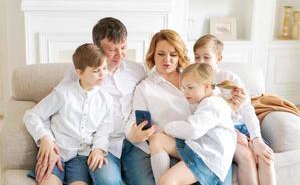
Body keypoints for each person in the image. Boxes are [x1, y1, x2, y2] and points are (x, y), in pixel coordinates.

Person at [34, 17, 148, 185]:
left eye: (123, 47)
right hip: (105, 144)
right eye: (112, 50)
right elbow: (55, 105)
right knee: (107, 181)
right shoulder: (80, 75)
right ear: (98, 48)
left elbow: (148, 98)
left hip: (133, 141)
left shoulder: (137, 70)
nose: (120, 55)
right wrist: (46, 139)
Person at [124, 29, 233, 185]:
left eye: (173, 55)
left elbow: (216, 106)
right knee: (157, 140)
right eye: (161, 54)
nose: (167, 60)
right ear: (152, 55)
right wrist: (133, 133)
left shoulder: (195, 76)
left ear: (180, 56)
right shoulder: (145, 88)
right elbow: (134, 121)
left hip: (204, 143)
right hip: (174, 142)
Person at [23, 43, 114, 185]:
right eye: (96, 71)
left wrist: (98, 149)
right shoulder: (62, 93)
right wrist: (45, 139)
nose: (103, 74)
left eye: (105, 68)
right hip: (56, 153)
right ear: (79, 72)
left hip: (81, 159)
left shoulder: (106, 99)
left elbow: (103, 132)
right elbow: (31, 116)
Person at [193, 34, 276, 185]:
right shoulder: (194, 82)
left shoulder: (229, 78)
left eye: (206, 57)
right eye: (197, 57)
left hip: (243, 126)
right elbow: (202, 117)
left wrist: (256, 139)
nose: (200, 62)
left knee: (266, 158)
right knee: (248, 157)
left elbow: (248, 111)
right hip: (224, 130)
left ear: (218, 58)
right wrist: (235, 133)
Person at [149, 63, 237, 185]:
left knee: (166, 181)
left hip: (208, 160)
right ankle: (162, 181)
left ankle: (164, 182)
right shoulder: (207, 101)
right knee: (157, 139)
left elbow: (193, 130)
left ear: (206, 87)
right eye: (183, 88)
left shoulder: (212, 104)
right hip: (198, 149)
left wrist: (168, 128)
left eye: (190, 87)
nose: (185, 92)